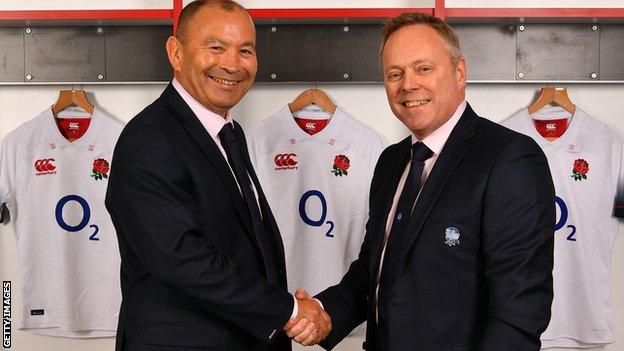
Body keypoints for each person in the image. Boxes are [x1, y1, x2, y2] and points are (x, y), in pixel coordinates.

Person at [286, 12, 555, 351]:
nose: (408, 85)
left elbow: (520, 309)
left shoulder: (509, 157)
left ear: (459, 72)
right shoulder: (390, 162)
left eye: (423, 69)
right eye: (394, 74)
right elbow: (376, 271)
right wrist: (325, 313)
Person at [105, 1, 329, 350]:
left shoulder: (227, 133)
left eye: (245, 50)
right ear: (175, 53)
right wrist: (288, 310)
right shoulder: (149, 138)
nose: (231, 64)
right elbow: (181, 258)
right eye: (215, 47)